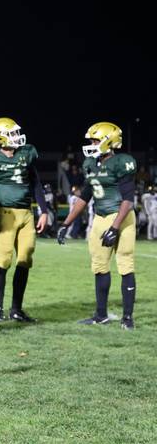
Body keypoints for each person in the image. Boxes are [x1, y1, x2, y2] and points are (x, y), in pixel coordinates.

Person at [58, 122, 137, 329]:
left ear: (109, 141)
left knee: (125, 265)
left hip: (122, 216)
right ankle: (100, 314)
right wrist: (66, 223)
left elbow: (128, 199)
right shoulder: (91, 164)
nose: (91, 144)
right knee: (100, 266)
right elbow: (85, 196)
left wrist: (115, 227)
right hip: (101, 218)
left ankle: (127, 318)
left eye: (95, 140)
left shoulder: (122, 162)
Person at [0, 118, 49, 323]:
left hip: (26, 213)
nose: (16, 137)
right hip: (4, 213)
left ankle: (16, 309)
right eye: (12, 134)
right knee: (4, 260)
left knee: (25, 260)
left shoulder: (26, 153)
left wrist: (43, 211)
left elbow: (36, 183)